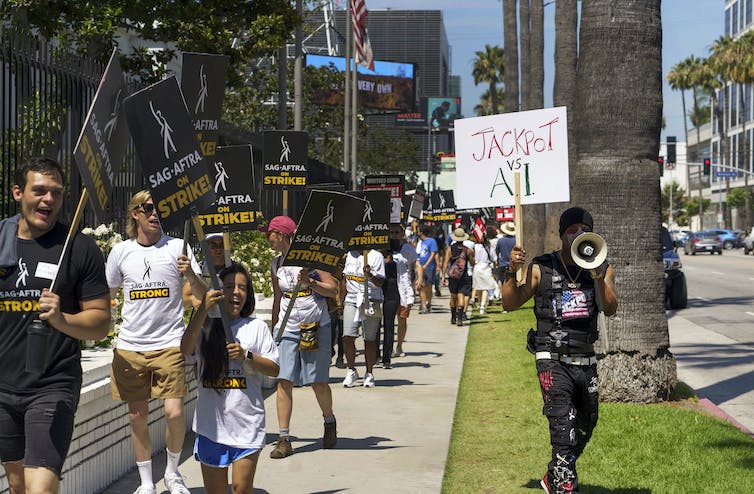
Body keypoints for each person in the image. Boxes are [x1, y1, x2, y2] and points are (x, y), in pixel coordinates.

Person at [0, 157, 110, 494]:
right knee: (18, 485)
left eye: (57, 193)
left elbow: (101, 323)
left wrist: (62, 319)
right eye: (39, 191)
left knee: (40, 489)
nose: (49, 199)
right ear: (18, 193)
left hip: (53, 386)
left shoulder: (79, 247)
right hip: (3, 388)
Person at [501, 207, 618, 494]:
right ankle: (565, 487)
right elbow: (510, 303)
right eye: (571, 229)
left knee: (586, 423)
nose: (577, 233)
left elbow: (612, 308)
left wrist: (598, 277)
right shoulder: (542, 267)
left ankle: (553, 475)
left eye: (583, 229)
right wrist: (511, 270)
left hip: (585, 357)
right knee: (563, 426)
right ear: (562, 234)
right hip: (552, 359)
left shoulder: (602, 266)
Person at [106, 190, 206, 494]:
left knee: (174, 413)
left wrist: (190, 274)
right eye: (148, 208)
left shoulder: (178, 247)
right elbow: (107, 295)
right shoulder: (120, 252)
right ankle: (147, 482)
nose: (155, 214)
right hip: (131, 346)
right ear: (135, 213)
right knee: (137, 416)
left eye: (160, 209)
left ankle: (173, 473)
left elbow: (202, 297)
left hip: (170, 343)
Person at [181, 264, 279, 493]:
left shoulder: (255, 328)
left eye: (242, 288)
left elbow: (274, 369)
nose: (236, 292)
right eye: (228, 286)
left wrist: (247, 356)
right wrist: (203, 311)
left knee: (240, 488)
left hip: (247, 427)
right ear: (217, 291)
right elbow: (185, 349)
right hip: (211, 429)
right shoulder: (204, 326)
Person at [264, 216, 339, 459]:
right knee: (284, 380)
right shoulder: (276, 264)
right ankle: (283, 438)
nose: (268, 239)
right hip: (288, 326)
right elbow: (278, 297)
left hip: (314, 324)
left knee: (317, 382)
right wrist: (274, 327)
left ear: (284, 235)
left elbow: (333, 289)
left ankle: (329, 421)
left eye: (271, 234)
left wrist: (310, 282)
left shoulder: (312, 261)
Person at [340, 248, 385, 387]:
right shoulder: (349, 255)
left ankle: (369, 373)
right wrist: (341, 302)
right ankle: (351, 370)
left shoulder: (376, 256)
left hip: (371, 300)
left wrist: (370, 275)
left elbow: (380, 282)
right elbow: (344, 280)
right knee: (347, 336)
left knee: (369, 339)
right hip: (352, 300)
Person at [445, 227, 475, 326]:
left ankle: (453, 317)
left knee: (453, 296)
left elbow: (445, 263)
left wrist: (442, 276)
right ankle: (460, 318)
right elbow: (472, 263)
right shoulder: (468, 250)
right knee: (461, 296)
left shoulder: (449, 249)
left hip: (453, 276)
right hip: (464, 276)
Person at [471, 232, 496, 315]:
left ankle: (481, 305)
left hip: (477, 266)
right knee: (485, 288)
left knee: (479, 287)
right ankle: (482, 305)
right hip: (486, 267)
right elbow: (494, 258)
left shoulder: (475, 247)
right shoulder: (489, 247)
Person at [415, 224, 438, 313]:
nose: (417, 232)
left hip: (429, 267)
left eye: (418, 230)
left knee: (428, 286)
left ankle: (429, 302)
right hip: (420, 267)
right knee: (421, 286)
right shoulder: (420, 242)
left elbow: (433, 254)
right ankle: (423, 305)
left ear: (421, 232)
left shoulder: (431, 241)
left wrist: (426, 265)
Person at [495, 221, 517, 306]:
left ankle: (503, 296)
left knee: (501, 281)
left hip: (502, 264)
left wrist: (497, 261)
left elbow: (496, 252)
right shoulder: (515, 240)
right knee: (512, 282)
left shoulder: (500, 241)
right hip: (513, 264)